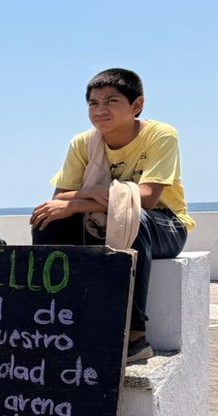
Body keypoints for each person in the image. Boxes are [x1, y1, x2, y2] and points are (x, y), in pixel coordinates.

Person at [30, 68, 192, 364]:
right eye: (93, 103)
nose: (99, 110)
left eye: (110, 101)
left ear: (136, 105)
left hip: (164, 223)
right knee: (47, 218)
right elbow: (60, 196)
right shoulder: (83, 143)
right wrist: (88, 198)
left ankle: (134, 334)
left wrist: (80, 203)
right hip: (103, 220)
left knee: (131, 216)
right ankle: (55, 319)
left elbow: (147, 197)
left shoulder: (160, 135)